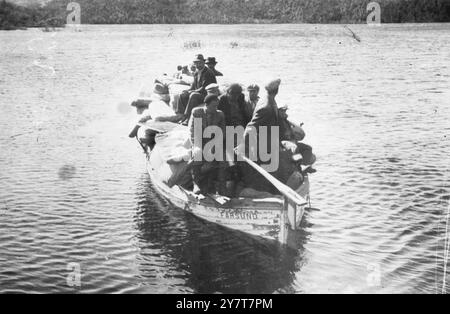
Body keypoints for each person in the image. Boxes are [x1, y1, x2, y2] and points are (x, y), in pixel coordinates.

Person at [189, 94, 227, 195]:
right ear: (206, 105)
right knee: (197, 153)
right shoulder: (197, 112)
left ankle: (221, 187)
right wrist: (198, 146)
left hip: (213, 143)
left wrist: (213, 147)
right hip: (199, 141)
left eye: (217, 106)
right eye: (213, 106)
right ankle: (195, 184)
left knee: (223, 158)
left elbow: (222, 133)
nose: (216, 109)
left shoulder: (220, 115)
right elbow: (193, 131)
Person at [129, 83, 183, 148]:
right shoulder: (158, 100)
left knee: (151, 114)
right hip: (166, 112)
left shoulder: (159, 100)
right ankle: (138, 128)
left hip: (169, 115)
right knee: (150, 114)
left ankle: (138, 128)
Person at [177, 54, 217, 125]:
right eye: (196, 63)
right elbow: (193, 86)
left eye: (199, 62)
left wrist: (192, 91)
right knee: (183, 94)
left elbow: (204, 88)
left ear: (203, 62)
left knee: (193, 95)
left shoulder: (208, 72)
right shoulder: (196, 73)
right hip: (200, 93)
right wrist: (188, 91)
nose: (198, 64)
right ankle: (181, 115)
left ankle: (188, 117)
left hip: (207, 94)